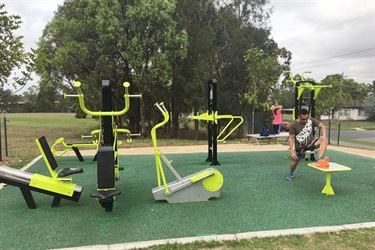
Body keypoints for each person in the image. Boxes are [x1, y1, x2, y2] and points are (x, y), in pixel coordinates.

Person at [286, 108, 329, 180]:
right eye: (303, 119)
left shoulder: (311, 120)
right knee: (296, 161)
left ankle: (319, 160)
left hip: (311, 144)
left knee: (323, 139)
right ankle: (290, 173)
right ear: (298, 116)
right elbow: (291, 138)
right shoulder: (294, 125)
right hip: (300, 147)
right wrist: (292, 152)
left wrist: (323, 135)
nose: (305, 121)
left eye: (306, 118)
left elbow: (322, 126)